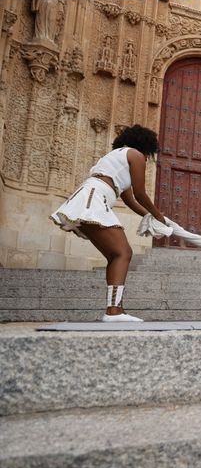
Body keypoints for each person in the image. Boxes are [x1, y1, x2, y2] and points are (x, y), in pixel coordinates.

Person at [50, 125, 169, 322]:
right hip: (95, 198)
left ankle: (116, 309)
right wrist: (159, 216)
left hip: (91, 197)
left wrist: (150, 217)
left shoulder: (114, 158)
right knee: (123, 253)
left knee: (117, 255)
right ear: (145, 146)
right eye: (150, 153)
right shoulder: (135, 155)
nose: (147, 158)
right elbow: (140, 193)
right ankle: (114, 311)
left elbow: (129, 199)